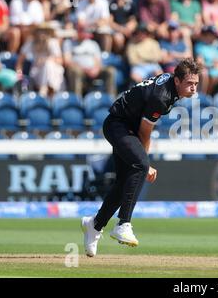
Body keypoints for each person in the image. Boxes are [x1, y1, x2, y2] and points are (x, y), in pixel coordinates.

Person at [81, 58, 202, 257]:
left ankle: (94, 224)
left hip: (126, 127)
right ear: (177, 81)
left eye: (196, 84)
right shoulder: (161, 97)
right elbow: (145, 131)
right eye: (189, 83)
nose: (194, 88)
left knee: (123, 184)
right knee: (140, 166)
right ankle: (123, 224)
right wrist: (145, 162)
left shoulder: (170, 86)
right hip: (118, 126)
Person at [15, 23, 64, 97]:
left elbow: (60, 61)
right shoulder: (31, 42)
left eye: (44, 31)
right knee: (46, 67)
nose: (42, 34)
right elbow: (20, 61)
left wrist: (47, 60)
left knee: (48, 65)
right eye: (40, 31)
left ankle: (45, 90)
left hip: (54, 71)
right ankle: (46, 91)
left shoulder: (52, 42)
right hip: (37, 72)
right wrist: (19, 76)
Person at [195, 25, 218, 94]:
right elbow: (199, 62)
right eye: (208, 34)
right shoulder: (199, 46)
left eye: (212, 34)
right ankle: (204, 96)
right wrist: (211, 65)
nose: (210, 36)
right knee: (207, 74)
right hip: (207, 68)